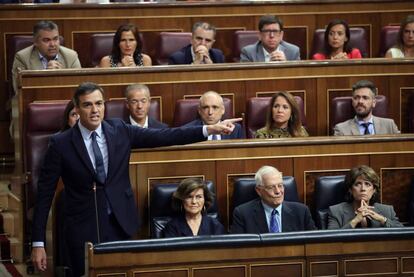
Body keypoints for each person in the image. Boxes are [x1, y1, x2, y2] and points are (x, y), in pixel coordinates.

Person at [30, 82, 241, 277]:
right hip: (82, 228)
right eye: (87, 105)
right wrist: (38, 242)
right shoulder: (61, 143)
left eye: (99, 104)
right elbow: (45, 194)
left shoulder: (119, 130)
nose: (95, 110)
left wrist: (208, 129)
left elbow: (166, 137)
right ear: (76, 107)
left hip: (120, 223)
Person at [231, 165, 316, 234]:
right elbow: (237, 249)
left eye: (280, 185)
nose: (278, 191)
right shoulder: (243, 214)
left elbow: (314, 244)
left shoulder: (301, 211)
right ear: (259, 191)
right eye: (271, 187)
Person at [12, 20, 81, 92]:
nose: (52, 44)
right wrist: (46, 76)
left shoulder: (71, 56)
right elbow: (19, 90)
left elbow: (79, 89)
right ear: (35, 42)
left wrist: (62, 75)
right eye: (46, 40)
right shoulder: (22, 57)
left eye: (55, 39)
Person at [328, 165, 403, 229]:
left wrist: (382, 219)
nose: (363, 189)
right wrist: (355, 220)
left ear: (374, 190)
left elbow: (404, 233)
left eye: (367, 184)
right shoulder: (336, 211)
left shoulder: (387, 211)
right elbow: (330, 239)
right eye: (358, 184)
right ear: (350, 189)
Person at [334, 80, 400, 136]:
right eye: (356, 98)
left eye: (365, 98)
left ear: (374, 102)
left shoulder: (389, 125)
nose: (360, 101)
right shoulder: (341, 130)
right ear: (352, 102)